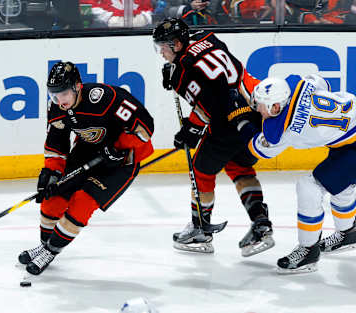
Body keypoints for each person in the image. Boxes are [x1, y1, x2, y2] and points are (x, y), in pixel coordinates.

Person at [18, 61, 154, 275]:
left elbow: (145, 127)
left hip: (122, 160)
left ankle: (50, 251)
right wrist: (51, 172)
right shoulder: (57, 106)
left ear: (77, 87)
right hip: (87, 151)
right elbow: (56, 142)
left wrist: (118, 148)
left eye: (63, 94)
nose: (59, 101)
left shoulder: (104, 99)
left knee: (81, 203)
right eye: (54, 95)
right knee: (51, 200)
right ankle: (45, 246)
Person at [152, 18, 275, 256]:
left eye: (164, 47)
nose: (161, 53)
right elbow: (227, 73)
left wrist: (189, 131)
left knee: (201, 171)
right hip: (254, 108)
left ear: (177, 44)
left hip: (228, 122)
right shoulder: (207, 36)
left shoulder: (185, 72)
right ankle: (261, 224)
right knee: (240, 168)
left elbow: (208, 110)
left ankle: (201, 229)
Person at [229, 74, 356, 274]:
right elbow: (323, 83)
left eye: (261, 106)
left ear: (276, 107)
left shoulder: (288, 132)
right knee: (341, 182)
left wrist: (240, 122)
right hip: (348, 136)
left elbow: (256, 149)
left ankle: (308, 252)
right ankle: (349, 234)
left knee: (309, 186)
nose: (258, 109)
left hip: (351, 144)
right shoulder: (306, 85)